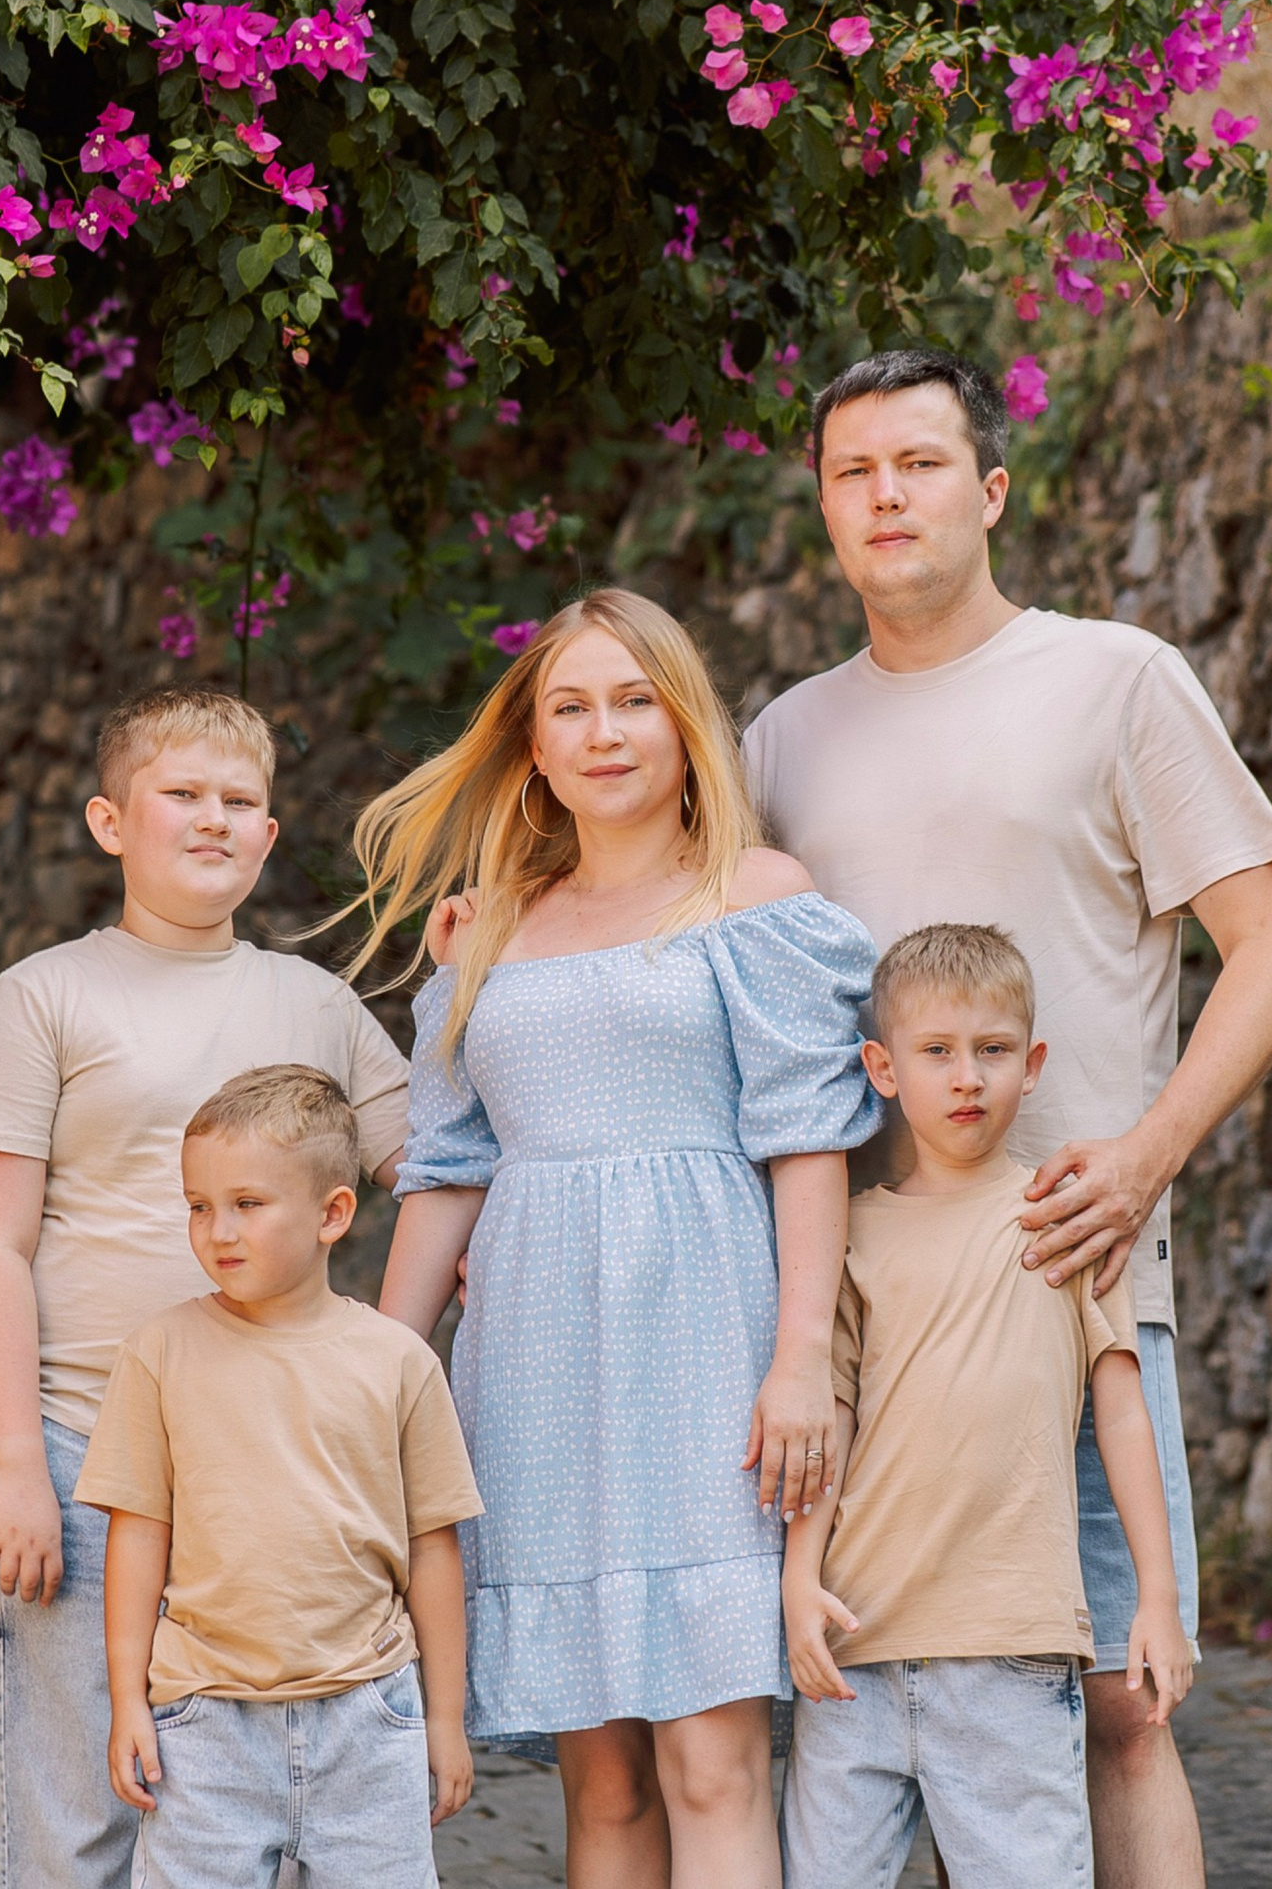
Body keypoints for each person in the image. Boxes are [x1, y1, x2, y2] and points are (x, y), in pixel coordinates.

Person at [744, 349, 1272, 1889]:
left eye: (921, 463)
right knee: (878, 1705)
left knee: (1125, 1704)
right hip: (861, 1306)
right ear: (823, 507)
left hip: (1071, 1277)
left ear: (989, 491)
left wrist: (1142, 1161)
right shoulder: (783, 742)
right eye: (855, 472)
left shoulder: (1114, 679)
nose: (888, 495)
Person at [365, 587, 882, 1889]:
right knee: (599, 1784)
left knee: (713, 1763)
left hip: (707, 1353)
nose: (605, 734)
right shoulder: (484, 931)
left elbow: (806, 1140)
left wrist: (801, 1358)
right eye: (571, 708)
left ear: (687, 723)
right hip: (533, 1369)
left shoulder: (755, 897)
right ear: (533, 749)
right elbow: (444, 1173)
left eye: (635, 701)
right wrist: (368, 1383)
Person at [0, 684, 414, 1888]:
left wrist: (467, 989)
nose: (213, 820)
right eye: (182, 795)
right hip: (86, 1450)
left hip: (276, 1476)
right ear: (112, 822)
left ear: (268, 834)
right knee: (82, 1808)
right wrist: (14, 1468)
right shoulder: (44, 998)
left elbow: (439, 1164)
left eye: (240, 801)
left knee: (260, 1810)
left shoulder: (314, 1005)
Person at [779, 924, 1192, 1889]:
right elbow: (826, 1418)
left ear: (1033, 1064)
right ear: (882, 1068)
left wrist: (1158, 1600)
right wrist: (800, 1579)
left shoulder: (1065, 1219)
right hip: (856, 1653)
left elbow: (1123, 1417)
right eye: (937, 1053)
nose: (967, 1078)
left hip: (1013, 1651)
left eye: (993, 1051)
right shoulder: (853, 1235)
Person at [77, 1064, 484, 1889]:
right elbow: (137, 1535)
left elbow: (433, 1548)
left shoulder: (397, 1362)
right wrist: (129, 1701)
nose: (217, 1231)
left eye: (247, 1205)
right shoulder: (158, 1354)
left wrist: (444, 1719)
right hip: (205, 1721)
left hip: (368, 1716)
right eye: (199, 1206)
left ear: (333, 1213)